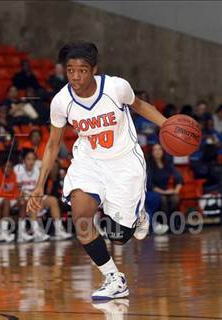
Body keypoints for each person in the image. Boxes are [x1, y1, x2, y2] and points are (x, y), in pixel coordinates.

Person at [27, 42, 167, 300]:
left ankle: (138, 214)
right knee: (81, 217)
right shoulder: (61, 101)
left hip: (124, 162)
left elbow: (140, 106)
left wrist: (166, 124)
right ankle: (114, 279)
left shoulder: (116, 87)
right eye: (70, 70)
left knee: (119, 237)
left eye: (82, 70)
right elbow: (53, 144)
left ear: (94, 70)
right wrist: (39, 185)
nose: (75, 76)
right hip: (89, 162)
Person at [15, 149, 72, 242]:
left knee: (52, 200)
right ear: (23, 160)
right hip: (20, 197)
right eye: (28, 159)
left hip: (35, 196)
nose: (31, 162)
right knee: (32, 200)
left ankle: (59, 230)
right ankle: (36, 231)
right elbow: (16, 188)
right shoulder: (17, 169)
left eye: (33, 159)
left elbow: (39, 187)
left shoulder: (37, 170)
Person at [147, 144, 183, 228]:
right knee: (163, 200)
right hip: (154, 192)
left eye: (159, 149)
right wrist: (164, 192)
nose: (157, 152)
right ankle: (163, 223)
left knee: (175, 198)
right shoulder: (149, 166)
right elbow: (149, 184)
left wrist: (176, 190)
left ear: (163, 152)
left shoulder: (167, 164)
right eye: (155, 150)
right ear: (152, 152)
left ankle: (174, 224)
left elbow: (178, 177)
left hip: (166, 190)